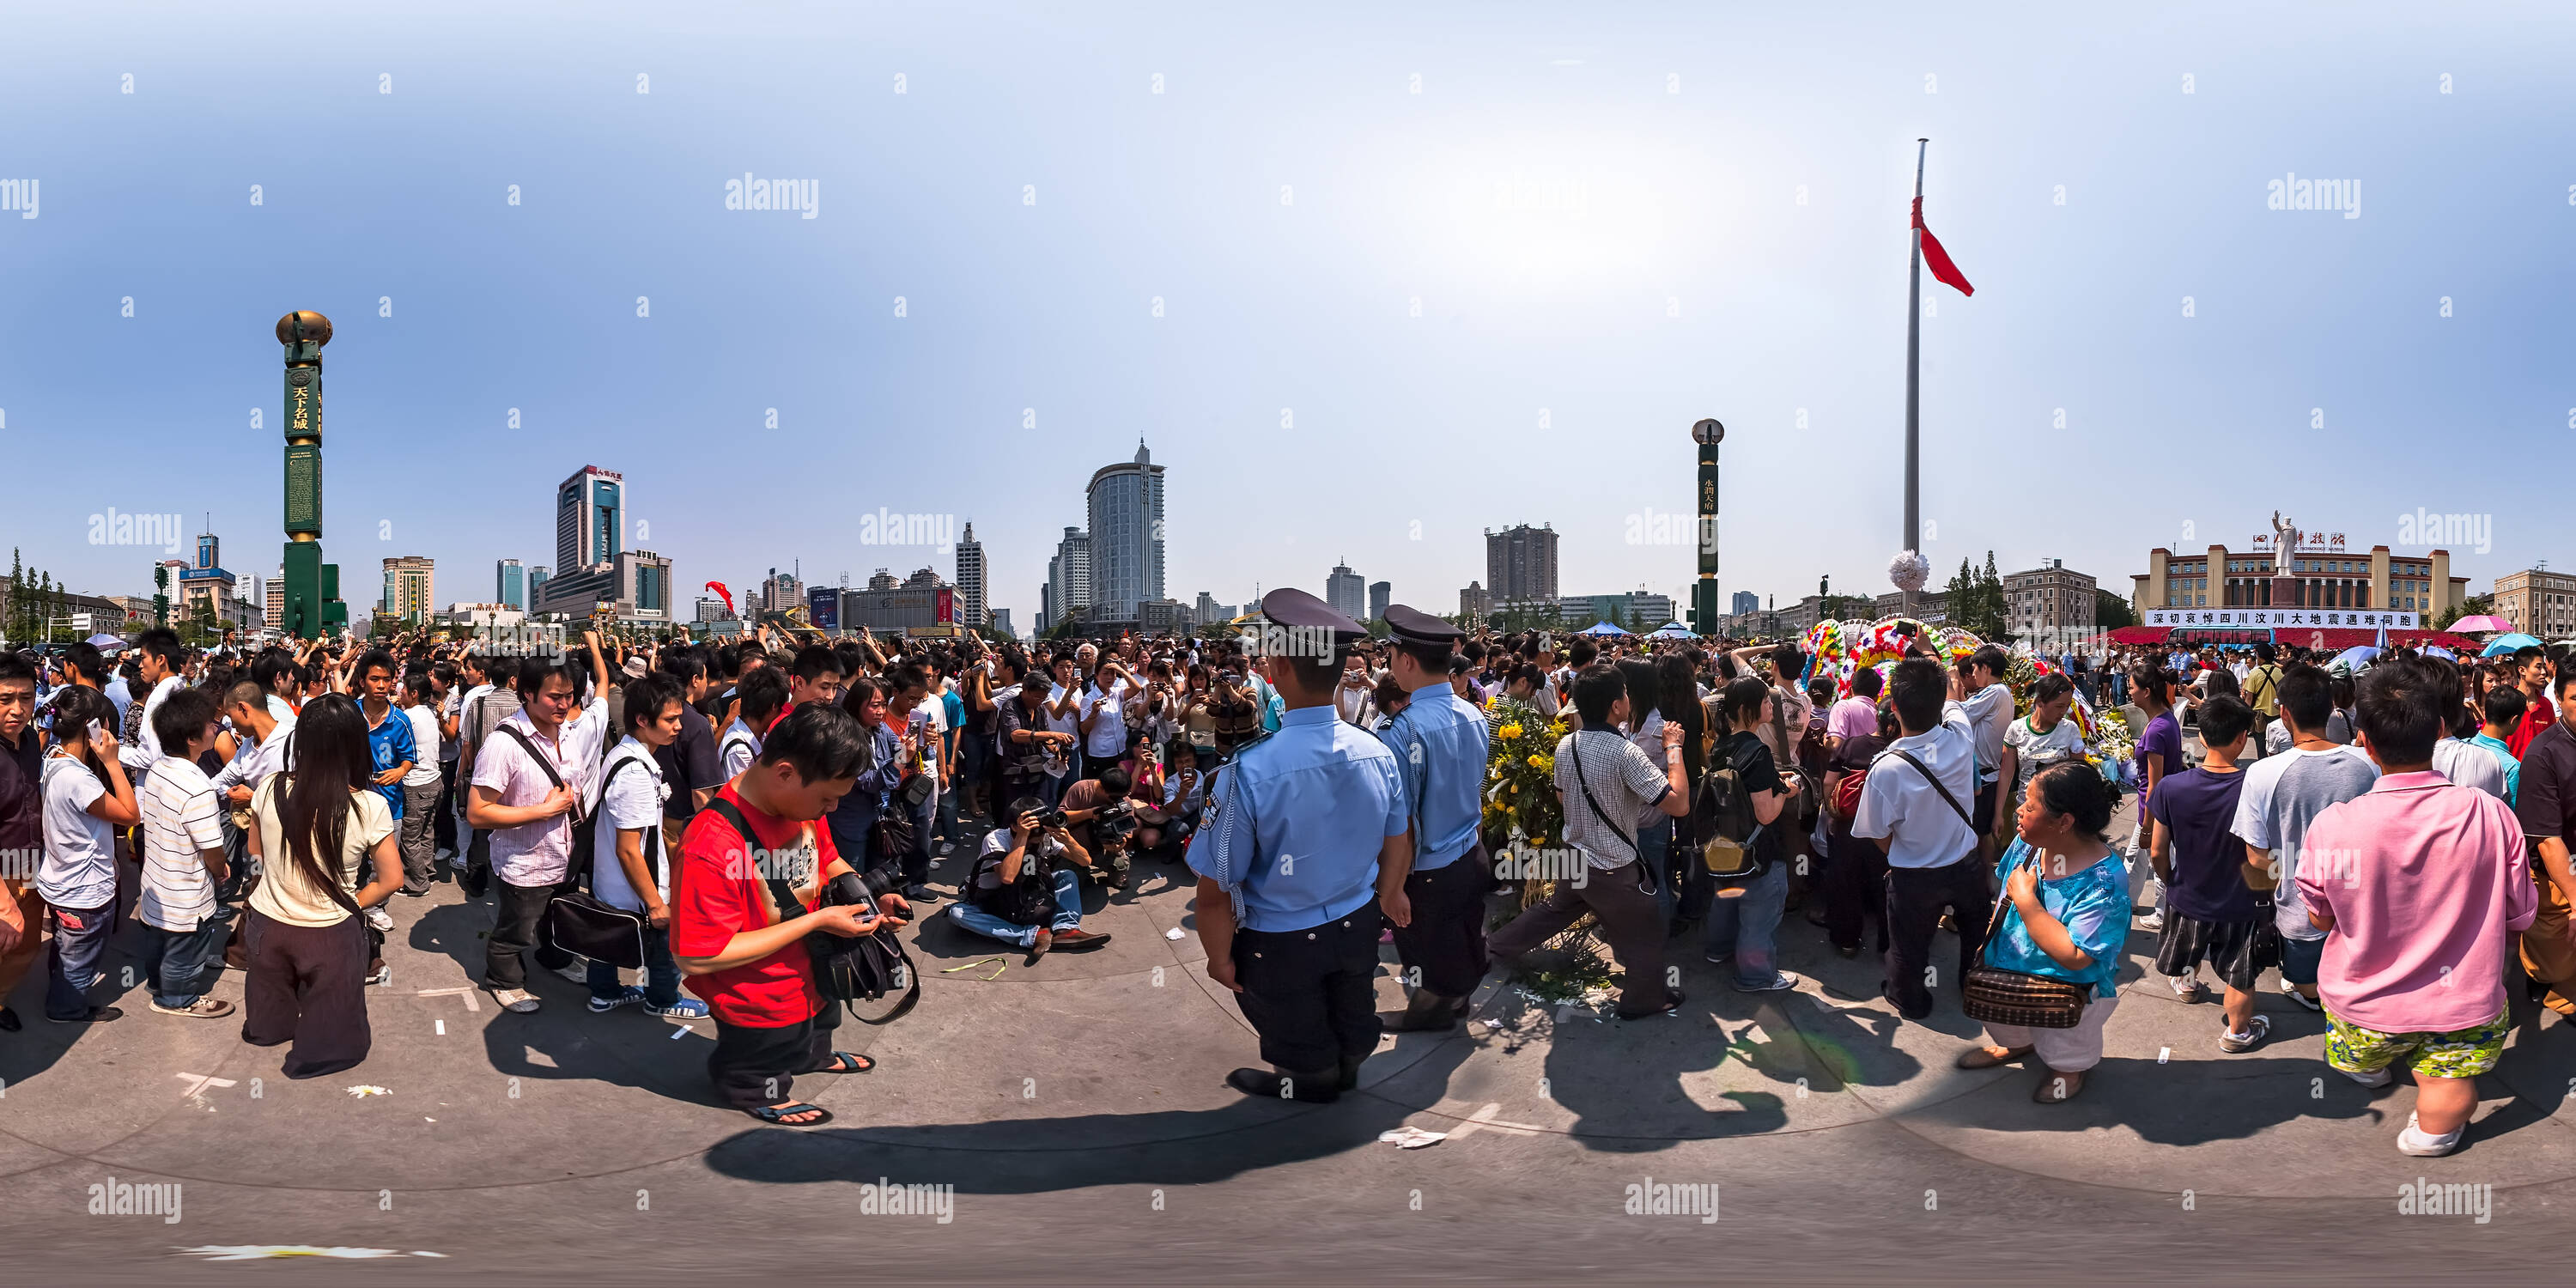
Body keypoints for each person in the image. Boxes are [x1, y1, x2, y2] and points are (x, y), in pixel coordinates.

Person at [2300, 657, 2535, 1157]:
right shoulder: (2492, 816)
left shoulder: (2334, 826)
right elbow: (2520, 913)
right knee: (2448, 1085)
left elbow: (2320, 917)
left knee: (2358, 1058)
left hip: (2362, 1011)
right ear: (2442, 729)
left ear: (2363, 739)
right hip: (2463, 1009)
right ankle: (2435, 1132)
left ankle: (2369, 1069)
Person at [1189, 589, 1410, 1103]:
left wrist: (1218, 957)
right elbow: (1399, 838)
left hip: (1284, 940)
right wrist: (1388, 893)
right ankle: (1349, 1064)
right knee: (1353, 1003)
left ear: (1279, 668)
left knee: (1296, 1028)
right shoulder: (1375, 750)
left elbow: (1215, 888)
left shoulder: (1248, 770)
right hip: (1357, 921)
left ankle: (1310, 1082)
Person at [672, 703, 911, 1126]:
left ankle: (814, 1055)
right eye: (827, 798)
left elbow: (829, 862)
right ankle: (752, 1090)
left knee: (822, 1020)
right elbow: (697, 956)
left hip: (815, 971)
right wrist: (818, 921)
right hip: (758, 996)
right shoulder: (710, 845)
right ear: (785, 772)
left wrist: (868, 900)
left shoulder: (803, 807)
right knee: (763, 1053)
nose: (832, 810)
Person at [1489, 663, 1692, 1020]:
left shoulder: (1568, 744)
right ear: (1616, 705)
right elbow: (1678, 803)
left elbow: (1562, 797)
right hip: (1612, 865)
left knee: (1556, 910)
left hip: (1574, 855)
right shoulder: (1625, 753)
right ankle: (1644, 1000)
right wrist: (1674, 750)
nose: (1629, 699)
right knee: (1645, 931)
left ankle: (1494, 948)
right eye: (1625, 694)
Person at [240, 693, 403, 1078]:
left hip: (266, 925)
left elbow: (255, 856)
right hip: (329, 933)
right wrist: (351, 901)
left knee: (269, 1009)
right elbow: (392, 879)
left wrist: (274, 885)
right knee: (333, 1033)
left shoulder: (269, 787)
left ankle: (271, 1030)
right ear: (355, 744)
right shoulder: (369, 806)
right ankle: (317, 1054)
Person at [1955, 762, 2132, 1103]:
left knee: (2066, 1037)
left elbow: (2075, 955)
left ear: (2064, 822)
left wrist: (2026, 899)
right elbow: (2002, 898)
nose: (2019, 809)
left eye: (2030, 805)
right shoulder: (2029, 844)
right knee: (2006, 1015)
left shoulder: (2104, 882)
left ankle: (2068, 1070)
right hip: (2007, 967)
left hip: (2067, 987)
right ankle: (2018, 1044)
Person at [1371, 605, 1493, 1032]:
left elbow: (1400, 824)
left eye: (1392, 657)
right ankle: (1455, 1001)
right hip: (1470, 853)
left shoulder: (1401, 730)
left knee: (1428, 952)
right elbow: (1476, 788)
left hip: (1428, 872)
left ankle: (1428, 1016)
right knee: (1461, 937)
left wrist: (1391, 889)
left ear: (1406, 661)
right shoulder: (1474, 713)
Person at [1846, 657, 1987, 1020]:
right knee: (1974, 933)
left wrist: (1904, 854)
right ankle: (1973, 988)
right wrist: (1939, 664)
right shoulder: (1960, 737)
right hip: (1968, 863)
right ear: (1939, 702)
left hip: (1914, 877)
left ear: (1893, 707)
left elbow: (1876, 833)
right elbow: (1955, 700)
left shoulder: (1886, 769)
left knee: (1908, 946)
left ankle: (1909, 999)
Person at [2233, 665, 2379, 1013]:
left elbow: (2257, 859)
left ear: (2283, 713)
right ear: (2332, 708)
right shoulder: (2369, 764)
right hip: (2363, 909)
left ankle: (2310, 994)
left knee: (2307, 983)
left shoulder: (2262, 772)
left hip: (2298, 912)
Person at [465, 658, 595, 1014]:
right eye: (555, 697)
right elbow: (478, 812)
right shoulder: (503, 743)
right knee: (516, 930)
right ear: (527, 694)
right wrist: (543, 811)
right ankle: (504, 979)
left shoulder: (566, 732)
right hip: (524, 862)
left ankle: (554, 958)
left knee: (557, 918)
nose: (564, 704)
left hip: (563, 855)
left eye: (569, 696)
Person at [582, 672, 711, 1018]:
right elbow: (629, 848)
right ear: (642, 719)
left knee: (606, 943)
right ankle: (663, 999)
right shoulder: (635, 773)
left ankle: (605, 994)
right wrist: (655, 903)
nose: (678, 728)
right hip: (636, 888)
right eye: (670, 720)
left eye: (679, 719)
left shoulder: (625, 756)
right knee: (661, 946)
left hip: (613, 882)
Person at [2147, 695, 2268, 1052]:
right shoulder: (2255, 787)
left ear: (2202, 737)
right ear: (2242, 737)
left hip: (2189, 894)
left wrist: (2172, 882)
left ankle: (2187, 987)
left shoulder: (2171, 787)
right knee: (2239, 973)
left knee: (2189, 952)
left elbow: (2156, 850)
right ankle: (2237, 1033)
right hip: (2241, 901)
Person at [134, 685, 236, 1019]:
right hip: (186, 893)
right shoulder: (199, 788)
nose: (215, 729)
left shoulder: (159, 769)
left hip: (157, 883)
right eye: (210, 724)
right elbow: (211, 848)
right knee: (186, 949)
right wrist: (221, 869)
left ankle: (157, 983)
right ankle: (176, 999)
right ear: (192, 739)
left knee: (159, 940)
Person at [36, 685, 136, 1024]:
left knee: (66, 949)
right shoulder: (79, 780)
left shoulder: (52, 757)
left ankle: (61, 988)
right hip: (84, 891)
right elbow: (130, 814)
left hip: (61, 882)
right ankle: (66, 1008)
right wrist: (112, 762)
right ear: (92, 727)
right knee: (80, 959)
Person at [1701, 676, 1801, 992]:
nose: (1771, 705)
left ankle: (1717, 952)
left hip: (1726, 842)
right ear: (1747, 709)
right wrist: (1786, 791)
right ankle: (1755, 977)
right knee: (1760, 915)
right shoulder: (1757, 751)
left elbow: (1741, 787)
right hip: (1757, 849)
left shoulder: (1722, 743)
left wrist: (1773, 781)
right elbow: (1766, 812)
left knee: (1726, 900)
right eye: (1765, 701)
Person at [950, 799, 1112, 960]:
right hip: (993, 899)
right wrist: (1022, 836)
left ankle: (1066, 929)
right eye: (1035, 830)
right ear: (1014, 826)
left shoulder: (1045, 837)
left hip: (1028, 891)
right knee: (956, 913)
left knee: (1067, 876)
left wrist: (1068, 840)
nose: (1041, 835)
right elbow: (1007, 877)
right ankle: (1032, 935)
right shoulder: (995, 839)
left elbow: (1085, 861)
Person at [2512, 665, 2576, 1018]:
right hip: (2556, 868)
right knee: (2555, 949)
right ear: (2561, 700)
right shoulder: (2543, 754)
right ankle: (2547, 983)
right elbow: (2549, 839)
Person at [1820, 701, 1896, 959]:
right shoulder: (1899, 751)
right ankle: (1888, 944)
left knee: (1845, 882)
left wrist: (1833, 814)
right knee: (1886, 884)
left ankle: (1847, 940)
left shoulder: (1850, 745)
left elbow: (1830, 782)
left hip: (1848, 827)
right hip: (1886, 830)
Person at [0, 655, 47, 1031]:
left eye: (26, 697)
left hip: (27, 865)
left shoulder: (30, 738)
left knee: (25, 943)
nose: (17, 709)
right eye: (5, 699)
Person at [2128, 664, 2185, 933]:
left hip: (2153, 808)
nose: (2129, 691)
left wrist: (2148, 825)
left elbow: (2154, 783)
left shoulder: (2156, 730)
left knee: (2156, 858)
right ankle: (2128, 902)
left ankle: (2163, 912)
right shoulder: (2165, 717)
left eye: (2132, 687)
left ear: (2146, 691)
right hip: (2160, 807)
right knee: (2138, 858)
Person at [1996, 674, 2085, 837]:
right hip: (2026, 814)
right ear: (2040, 702)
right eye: (2059, 706)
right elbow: (2006, 773)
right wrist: (1998, 813)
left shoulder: (2070, 729)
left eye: (2067, 706)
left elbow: (2080, 775)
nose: (2064, 711)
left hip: (2059, 817)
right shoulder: (2016, 729)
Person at [394, 674, 443, 896]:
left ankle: (417, 883)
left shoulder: (407, 717)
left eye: (403, 690)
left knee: (409, 837)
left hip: (416, 785)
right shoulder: (429, 713)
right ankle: (427, 872)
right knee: (426, 831)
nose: (399, 693)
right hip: (434, 781)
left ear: (414, 694)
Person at [718, 665, 789, 781]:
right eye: (782, 708)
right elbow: (741, 796)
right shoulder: (740, 751)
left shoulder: (761, 736)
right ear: (774, 706)